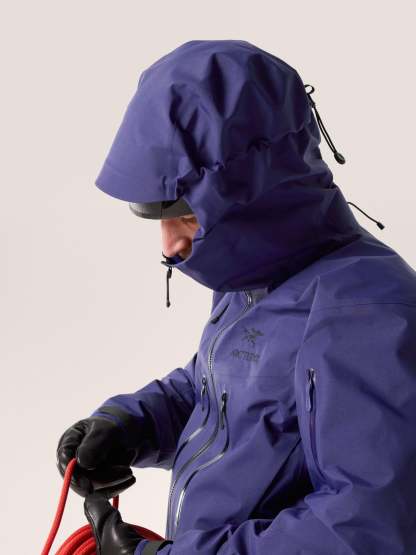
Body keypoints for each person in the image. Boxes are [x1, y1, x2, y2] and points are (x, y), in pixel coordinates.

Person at [56, 39, 416, 554]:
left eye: (186, 216)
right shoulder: (254, 276)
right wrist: (128, 425)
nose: (169, 246)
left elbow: (366, 529)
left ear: (256, 197)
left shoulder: (366, 314)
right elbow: (217, 391)